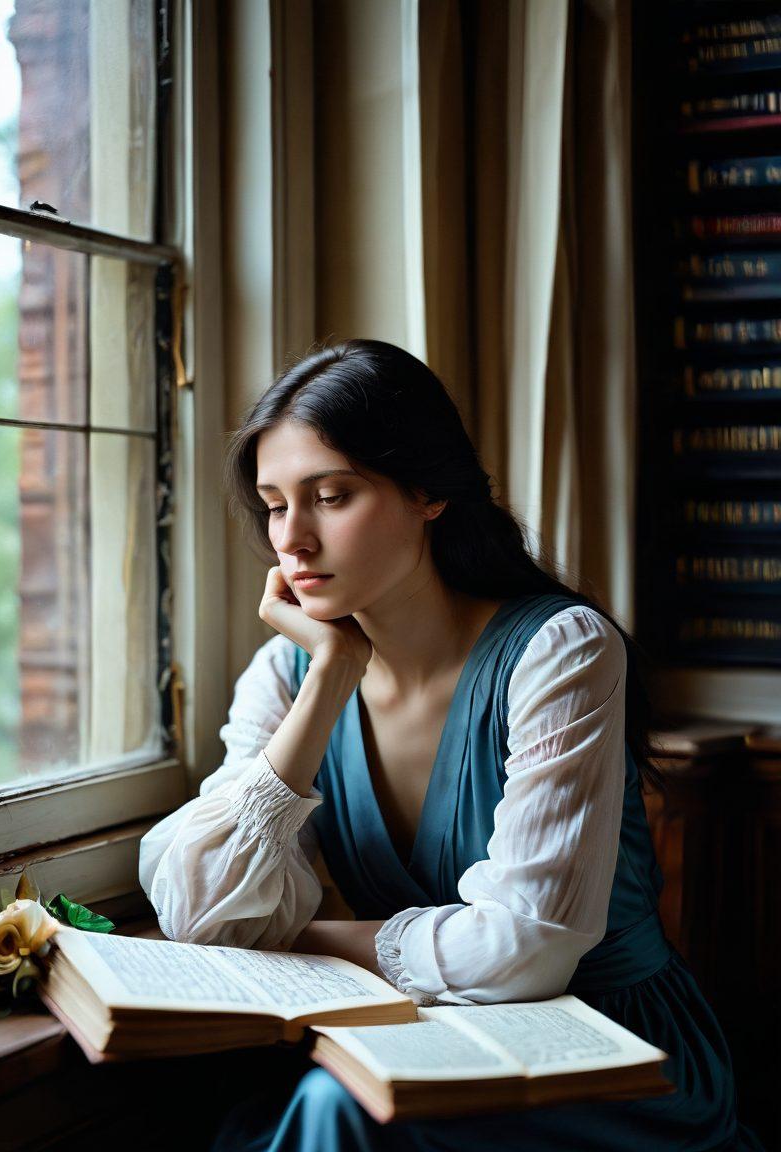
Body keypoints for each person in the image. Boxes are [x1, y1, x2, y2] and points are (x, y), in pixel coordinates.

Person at [139, 340, 763, 1151]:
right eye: (272, 503)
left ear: (428, 491)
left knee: (333, 1116)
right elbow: (197, 908)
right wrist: (332, 676)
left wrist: (290, 935)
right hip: (410, 1031)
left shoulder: (562, 650)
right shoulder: (289, 673)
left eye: (330, 497)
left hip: (608, 1051)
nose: (290, 540)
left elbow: (526, 950)